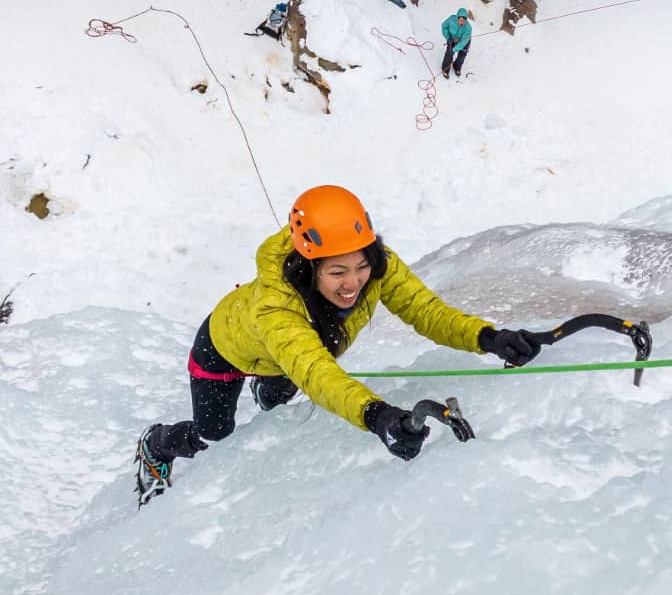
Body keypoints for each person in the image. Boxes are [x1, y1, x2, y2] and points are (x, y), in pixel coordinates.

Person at [134, 185, 542, 506]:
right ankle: (156, 446)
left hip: (282, 359)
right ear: (308, 265)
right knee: (214, 439)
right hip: (224, 352)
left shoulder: (376, 265)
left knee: (280, 390)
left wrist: (490, 338)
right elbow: (317, 374)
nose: (354, 282)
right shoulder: (278, 306)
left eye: (362, 265)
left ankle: (269, 387)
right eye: (337, 272)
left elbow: (426, 311)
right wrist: (378, 416)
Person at [440, 7, 472, 79]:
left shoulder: (468, 28)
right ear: (457, 18)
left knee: (462, 55)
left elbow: (463, 42)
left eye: (464, 20)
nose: (462, 22)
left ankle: (457, 66)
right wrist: (448, 37)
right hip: (452, 38)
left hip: (464, 41)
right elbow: (444, 27)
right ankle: (445, 69)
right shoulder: (451, 19)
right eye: (460, 20)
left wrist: (454, 50)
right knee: (449, 53)